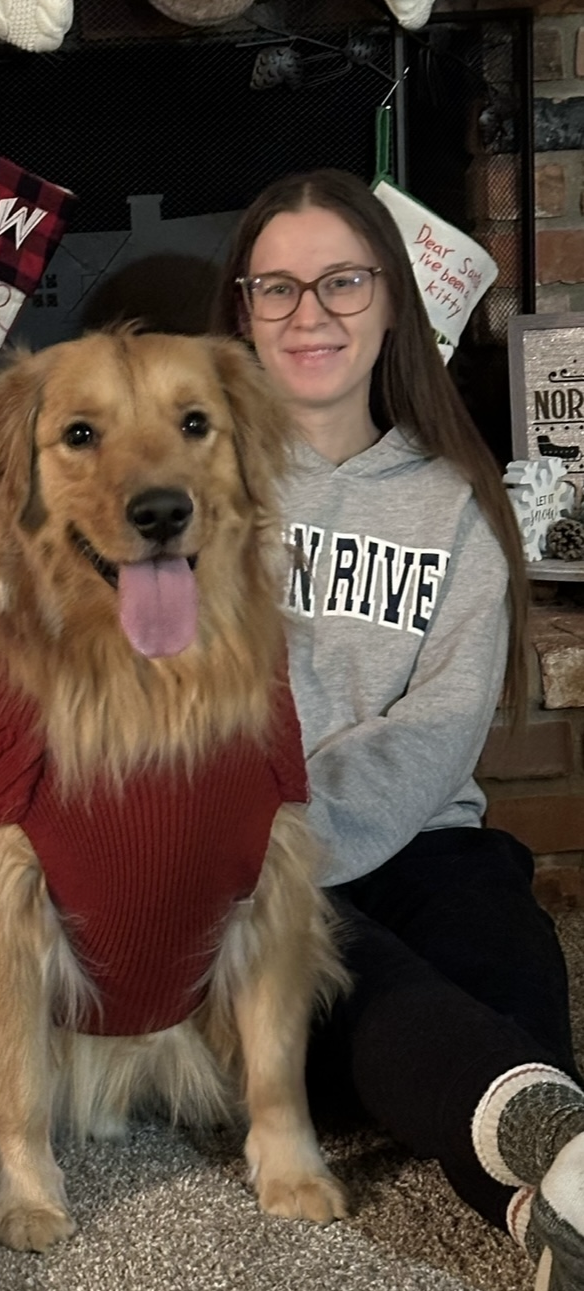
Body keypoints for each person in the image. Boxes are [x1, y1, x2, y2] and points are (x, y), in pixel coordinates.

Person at [214, 168, 584, 1291]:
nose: (308, 313)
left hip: (417, 831)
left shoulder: (453, 497)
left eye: (340, 281)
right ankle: (552, 1166)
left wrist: (324, 821)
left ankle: (553, 1204)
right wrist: (275, 844)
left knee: (513, 953)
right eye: (275, 288)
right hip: (250, 851)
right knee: (357, 975)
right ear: (240, 311)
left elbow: (444, 725)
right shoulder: (189, 482)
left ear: (389, 302)